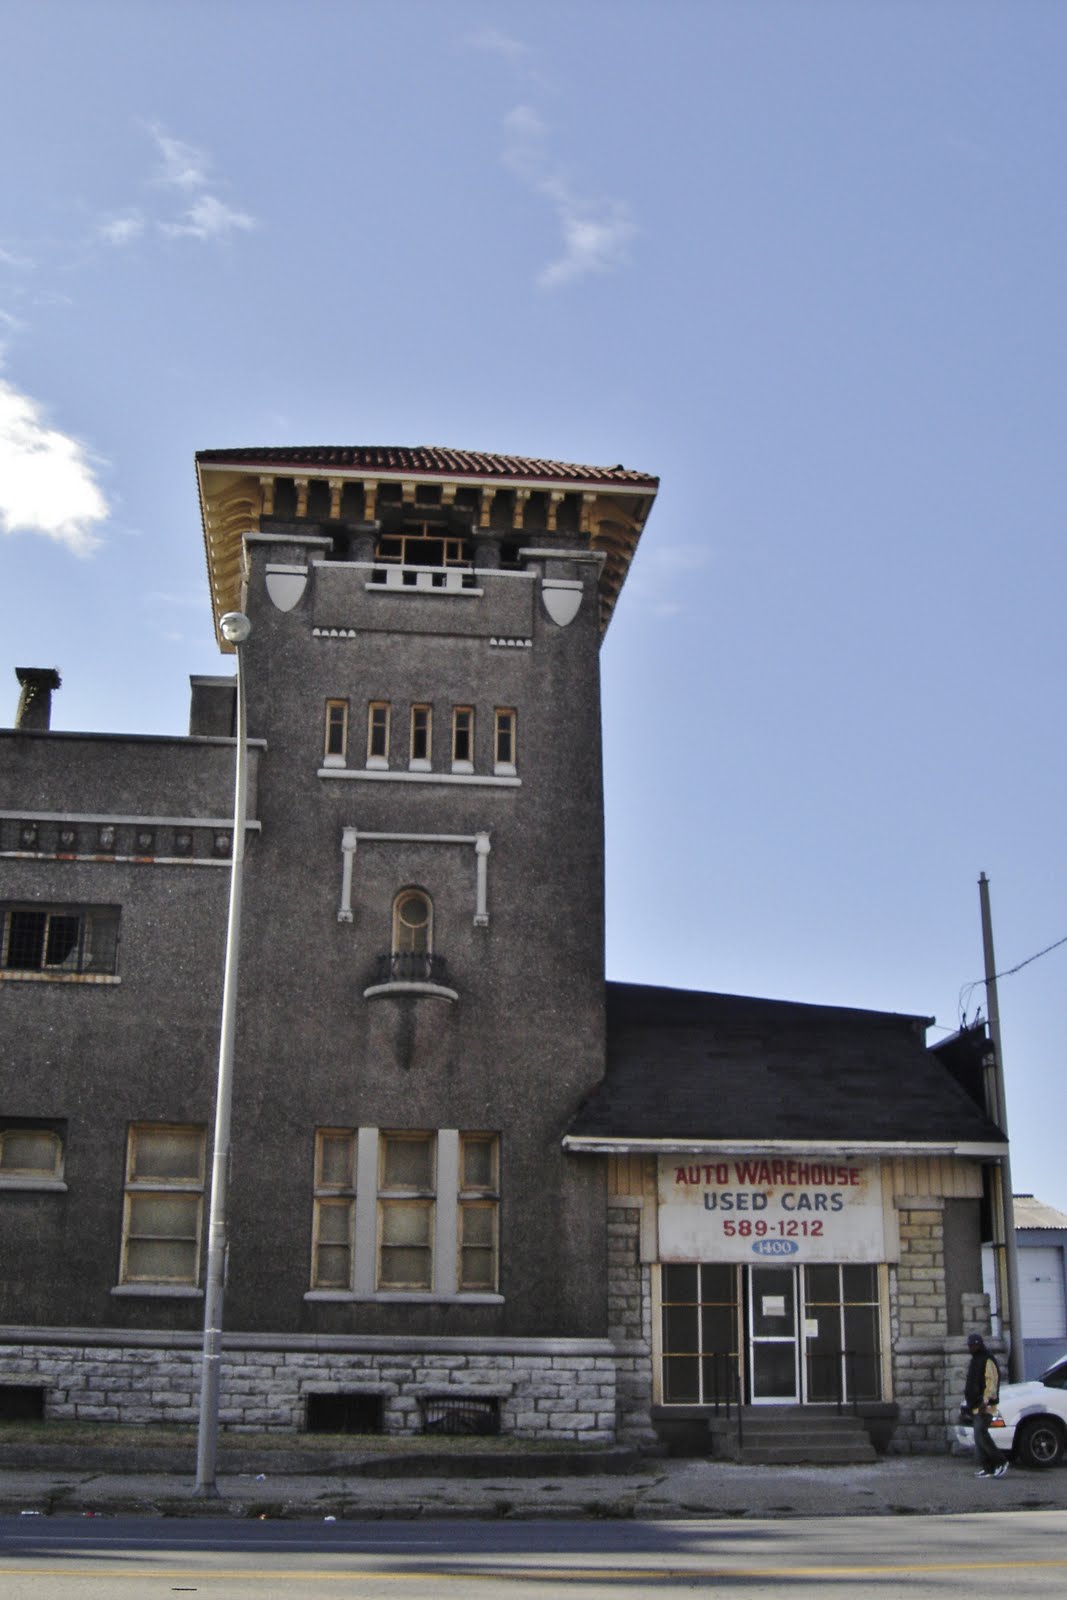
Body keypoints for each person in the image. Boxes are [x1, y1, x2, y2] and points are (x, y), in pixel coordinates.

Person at [964, 1331, 1007, 1478]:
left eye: (972, 1345)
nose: (970, 1348)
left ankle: (1000, 1462)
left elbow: (991, 1382)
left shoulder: (987, 1360)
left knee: (982, 1435)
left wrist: (985, 1400)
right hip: (976, 1405)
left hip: (984, 1405)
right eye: (969, 1345)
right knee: (979, 1437)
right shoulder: (976, 1360)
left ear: (978, 1345)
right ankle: (988, 1467)